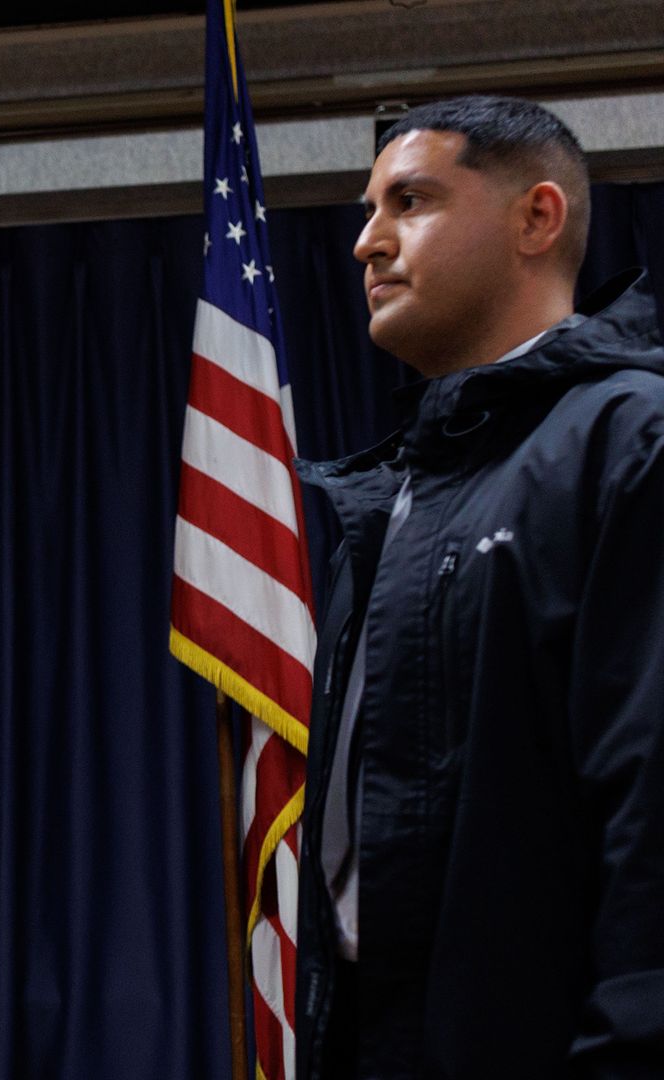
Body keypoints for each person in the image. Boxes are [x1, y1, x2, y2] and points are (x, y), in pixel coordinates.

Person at [297, 95, 664, 1077]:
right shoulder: (400, 493)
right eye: (368, 211)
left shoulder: (632, 443)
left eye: (409, 202)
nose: (367, 244)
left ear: (535, 219)